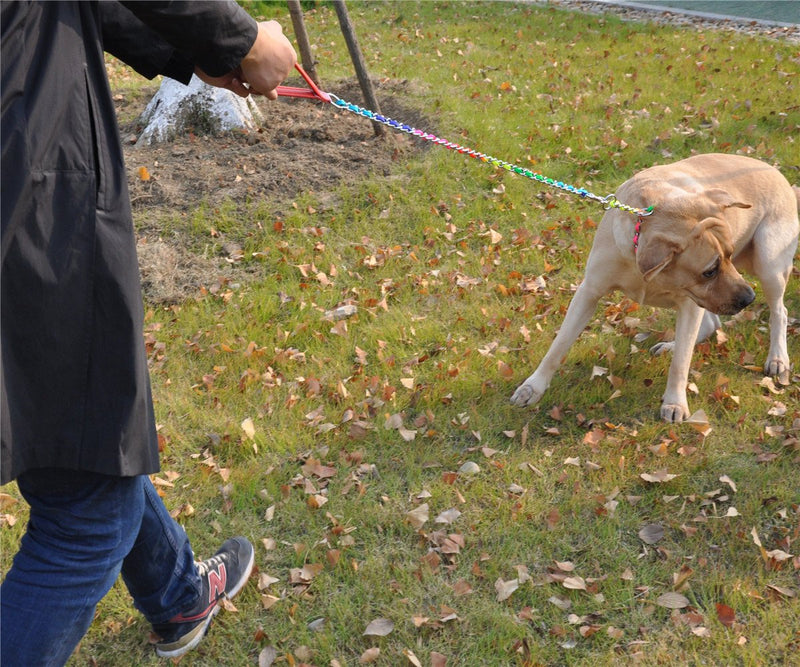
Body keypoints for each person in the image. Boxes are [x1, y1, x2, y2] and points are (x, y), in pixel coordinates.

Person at [0, 2, 297, 663]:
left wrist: (190, 54)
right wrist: (241, 40)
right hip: (26, 182)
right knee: (86, 511)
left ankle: (178, 594)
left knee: (87, 441)